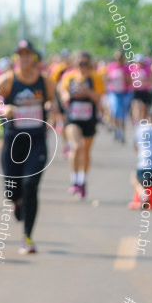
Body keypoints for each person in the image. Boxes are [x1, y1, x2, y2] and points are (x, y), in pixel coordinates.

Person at [0, 40, 58, 254]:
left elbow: (54, 103)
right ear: (16, 57)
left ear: (33, 57)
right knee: (11, 190)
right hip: (14, 141)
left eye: (28, 54)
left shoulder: (45, 81)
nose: (24, 58)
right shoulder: (8, 79)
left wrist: (52, 109)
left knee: (31, 185)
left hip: (37, 140)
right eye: (20, 54)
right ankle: (16, 201)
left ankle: (27, 237)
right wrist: (2, 108)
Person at [59, 51, 104, 199]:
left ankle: (83, 179)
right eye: (80, 64)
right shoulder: (69, 76)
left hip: (89, 118)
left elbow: (98, 97)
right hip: (73, 117)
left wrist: (87, 91)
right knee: (76, 146)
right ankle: (74, 181)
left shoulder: (95, 77)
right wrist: (65, 95)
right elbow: (61, 88)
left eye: (86, 64)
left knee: (85, 150)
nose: (83, 67)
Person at [102, 51, 132, 144]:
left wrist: (124, 76)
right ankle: (116, 130)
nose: (119, 60)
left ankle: (122, 133)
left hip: (125, 93)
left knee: (122, 114)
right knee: (114, 111)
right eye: (117, 58)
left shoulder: (126, 68)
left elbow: (130, 81)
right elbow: (106, 78)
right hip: (113, 92)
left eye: (121, 58)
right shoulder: (111, 67)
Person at [130, 55, 152, 123]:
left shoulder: (147, 69)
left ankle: (143, 120)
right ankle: (136, 120)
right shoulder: (132, 68)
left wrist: (145, 82)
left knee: (145, 108)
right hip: (136, 91)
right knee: (136, 105)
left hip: (145, 91)